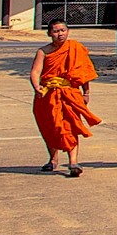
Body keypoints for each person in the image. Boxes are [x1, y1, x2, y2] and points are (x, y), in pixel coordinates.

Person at [29, 19, 101, 176]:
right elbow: (35, 72)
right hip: (47, 94)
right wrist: (36, 87)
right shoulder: (43, 51)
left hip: (69, 93)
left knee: (70, 126)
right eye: (55, 31)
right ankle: (53, 160)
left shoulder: (75, 48)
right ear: (49, 33)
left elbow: (83, 73)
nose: (60, 34)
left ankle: (73, 162)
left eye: (62, 30)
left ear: (67, 31)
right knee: (50, 127)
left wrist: (86, 92)